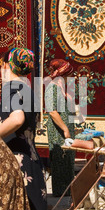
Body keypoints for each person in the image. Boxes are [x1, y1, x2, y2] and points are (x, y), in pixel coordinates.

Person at [0, 48, 49, 210]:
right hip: (30, 162)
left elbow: (17, 118)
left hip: (18, 165)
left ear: (7, 65)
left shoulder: (13, 87)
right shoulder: (27, 88)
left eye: (1, 65)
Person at [44, 59, 76, 197]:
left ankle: (68, 190)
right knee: (60, 159)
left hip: (65, 128)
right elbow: (52, 111)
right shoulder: (52, 87)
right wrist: (65, 129)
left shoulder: (61, 88)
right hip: (58, 131)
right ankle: (61, 192)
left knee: (67, 159)